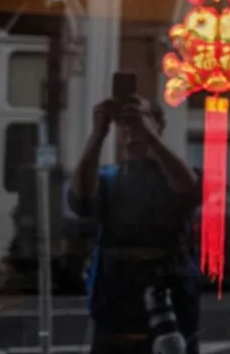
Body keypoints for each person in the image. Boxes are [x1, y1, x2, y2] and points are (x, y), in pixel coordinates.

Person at [68, 96, 201, 354]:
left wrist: (150, 138)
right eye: (123, 122)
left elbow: (189, 188)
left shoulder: (175, 175)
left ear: (159, 124)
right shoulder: (107, 179)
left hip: (171, 302)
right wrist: (97, 134)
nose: (130, 127)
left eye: (139, 118)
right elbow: (81, 198)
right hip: (115, 304)